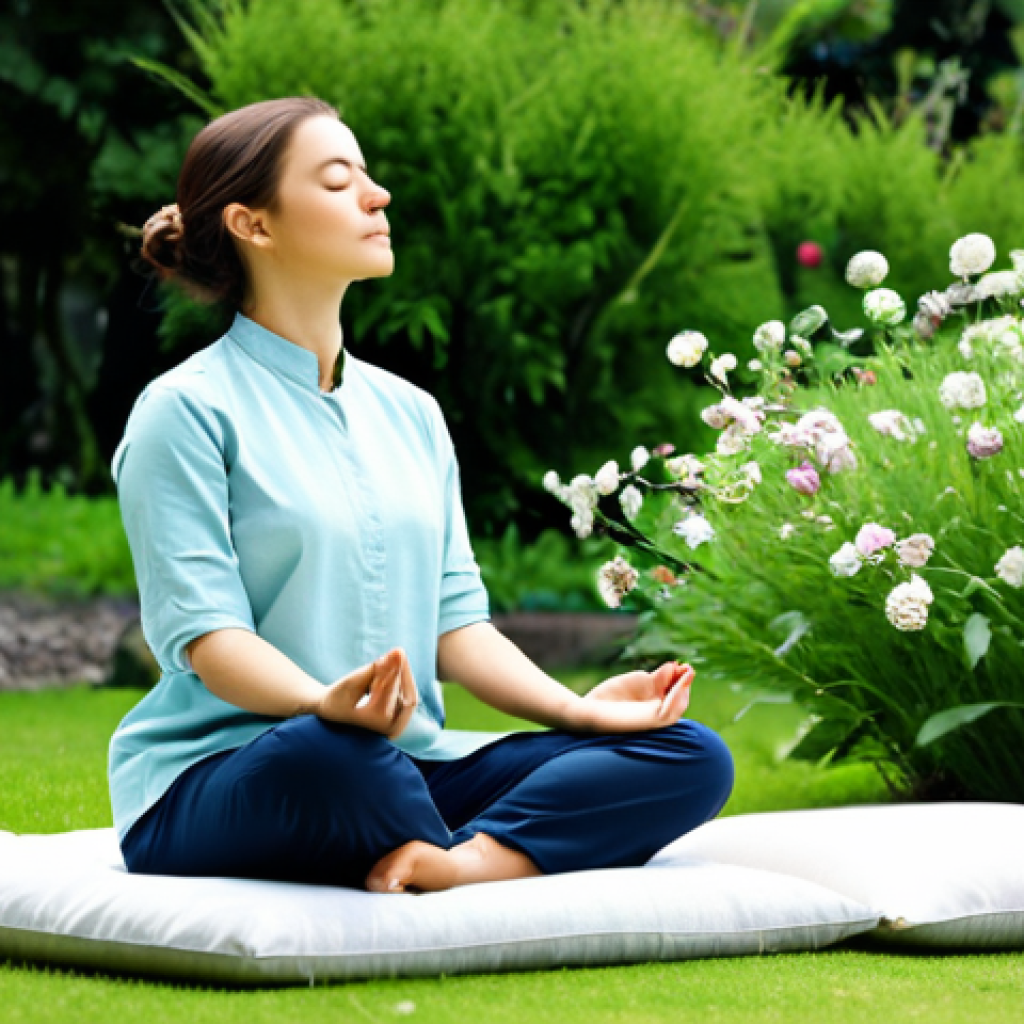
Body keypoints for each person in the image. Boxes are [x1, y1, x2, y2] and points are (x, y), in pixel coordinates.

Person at [109, 96, 734, 896]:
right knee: (334, 757)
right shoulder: (183, 412)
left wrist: (580, 713)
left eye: (368, 176)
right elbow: (211, 642)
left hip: (402, 765)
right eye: (339, 182)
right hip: (234, 774)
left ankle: (463, 860)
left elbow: (459, 631)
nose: (378, 197)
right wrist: (323, 702)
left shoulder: (412, 414)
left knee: (687, 756)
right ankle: (496, 833)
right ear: (252, 224)